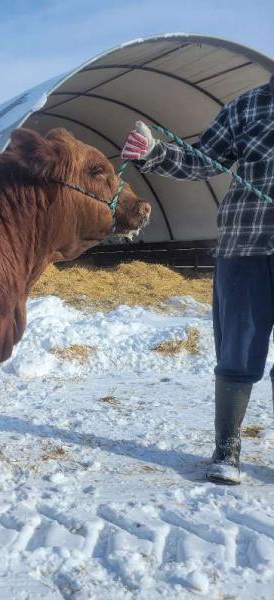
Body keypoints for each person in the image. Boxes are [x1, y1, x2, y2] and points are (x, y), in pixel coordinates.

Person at [121, 75, 274, 485]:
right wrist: (154, 153)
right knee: (238, 347)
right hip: (246, 242)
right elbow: (204, 159)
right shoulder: (248, 107)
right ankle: (227, 447)